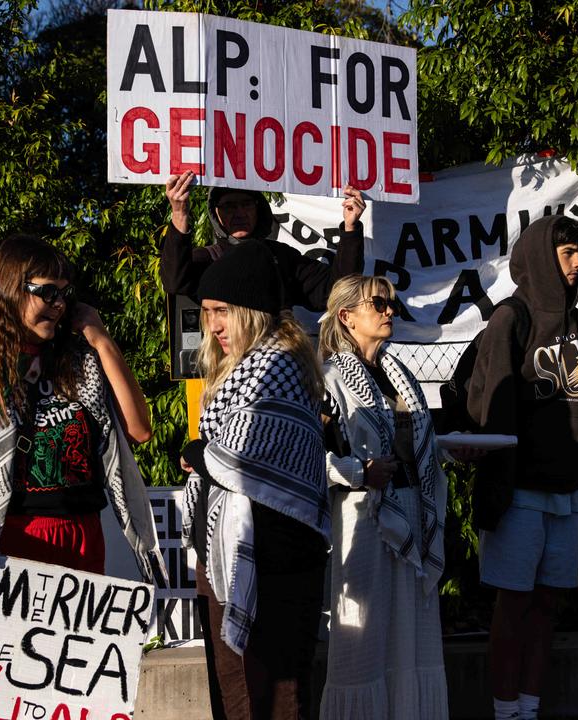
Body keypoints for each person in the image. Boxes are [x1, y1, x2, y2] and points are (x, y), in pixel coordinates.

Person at [0, 234, 163, 582]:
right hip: (4, 537)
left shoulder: (76, 358)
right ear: (10, 288)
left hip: (82, 535)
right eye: (48, 292)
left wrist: (101, 339)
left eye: (65, 294)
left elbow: (139, 430)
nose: (59, 304)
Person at [466, 215, 578, 720]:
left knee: (549, 603)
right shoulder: (511, 317)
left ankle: (529, 708)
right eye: (567, 253)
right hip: (521, 492)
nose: (576, 264)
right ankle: (505, 711)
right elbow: (492, 403)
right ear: (538, 258)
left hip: (568, 491)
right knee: (514, 605)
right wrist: (496, 488)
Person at [179, 238, 330, 720]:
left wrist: (197, 452)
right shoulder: (242, 367)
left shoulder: (275, 363)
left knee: (272, 696)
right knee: (240, 693)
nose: (214, 325)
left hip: (270, 559)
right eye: (207, 313)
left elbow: (236, 457)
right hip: (235, 554)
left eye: (223, 311)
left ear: (251, 309)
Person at [316, 275, 449, 720]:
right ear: (347, 316)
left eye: (392, 303)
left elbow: (417, 443)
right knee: (363, 641)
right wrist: (359, 471)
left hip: (411, 512)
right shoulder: (328, 379)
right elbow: (306, 457)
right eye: (379, 303)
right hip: (362, 518)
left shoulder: (399, 373)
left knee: (411, 640)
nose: (390, 310)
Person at [161, 171, 366, 310]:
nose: (239, 213)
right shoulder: (208, 258)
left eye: (246, 204)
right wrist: (179, 214)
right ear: (216, 213)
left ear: (258, 209)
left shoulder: (282, 257)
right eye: (230, 206)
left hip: (278, 367)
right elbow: (176, 282)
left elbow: (337, 291)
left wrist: (351, 228)